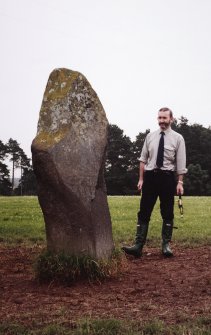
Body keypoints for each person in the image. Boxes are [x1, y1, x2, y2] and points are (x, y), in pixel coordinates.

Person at [122, 107, 187, 258]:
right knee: (144, 211)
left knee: (167, 211)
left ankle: (166, 245)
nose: (161, 121)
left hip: (167, 178)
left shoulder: (178, 138)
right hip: (150, 177)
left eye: (164, 118)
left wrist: (180, 183)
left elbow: (181, 163)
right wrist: (141, 179)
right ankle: (138, 246)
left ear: (171, 119)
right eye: (159, 118)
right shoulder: (150, 137)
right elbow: (143, 160)